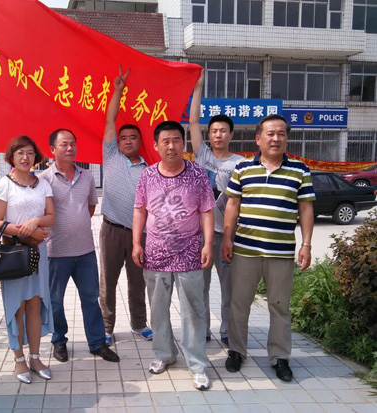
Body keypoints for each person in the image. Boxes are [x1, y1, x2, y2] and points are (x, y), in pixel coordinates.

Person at [222, 114, 315, 382]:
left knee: (279, 306)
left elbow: (306, 209)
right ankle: (236, 351)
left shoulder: (300, 170)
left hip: (281, 253)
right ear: (258, 138)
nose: (276, 139)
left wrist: (306, 244)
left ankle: (279, 357)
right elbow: (232, 205)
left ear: (286, 138)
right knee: (239, 304)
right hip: (245, 251)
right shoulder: (243, 168)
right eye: (270, 133)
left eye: (281, 134)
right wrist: (227, 238)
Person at [132, 120, 215, 391]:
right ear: (156, 146)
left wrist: (208, 243)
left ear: (184, 143)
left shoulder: (197, 174)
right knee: (158, 310)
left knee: (193, 310)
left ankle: (197, 364)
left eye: (176, 140)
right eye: (165, 141)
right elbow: (140, 210)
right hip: (156, 254)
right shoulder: (147, 175)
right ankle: (164, 354)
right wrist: (136, 243)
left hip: (190, 254)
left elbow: (206, 210)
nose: (171, 146)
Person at [39, 129, 119, 363]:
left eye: (73, 144)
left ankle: (97, 343)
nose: (70, 148)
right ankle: (59, 341)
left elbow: (90, 207)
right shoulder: (43, 179)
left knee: (91, 298)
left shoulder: (87, 176)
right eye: (64, 144)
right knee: (55, 300)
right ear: (52, 149)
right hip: (55, 252)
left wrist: (75, 224)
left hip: (85, 251)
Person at [0, 136, 54, 384]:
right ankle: (19, 359)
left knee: (35, 304)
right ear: (11, 157)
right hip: (14, 254)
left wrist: (35, 222)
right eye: (20, 153)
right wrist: (25, 232)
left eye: (29, 153)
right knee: (17, 306)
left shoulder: (43, 184)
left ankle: (35, 357)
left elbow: (51, 216)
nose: (25, 158)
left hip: (38, 252)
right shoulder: (3, 185)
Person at [189, 71, 243, 347]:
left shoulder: (241, 164)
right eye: (214, 131)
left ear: (231, 134)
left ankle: (227, 331)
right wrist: (198, 88)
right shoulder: (203, 155)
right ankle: (203, 329)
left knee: (228, 288)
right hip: (200, 234)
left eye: (223, 130)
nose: (218, 134)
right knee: (200, 285)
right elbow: (193, 122)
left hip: (227, 235)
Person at [99, 66, 152, 345]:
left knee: (137, 281)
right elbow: (110, 120)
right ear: (117, 142)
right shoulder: (111, 156)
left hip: (139, 234)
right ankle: (106, 328)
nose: (128, 141)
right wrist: (117, 91)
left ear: (140, 142)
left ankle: (139, 324)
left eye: (133, 138)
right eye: (123, 138)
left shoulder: (150, 170)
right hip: (111, 230)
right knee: (107, 282)